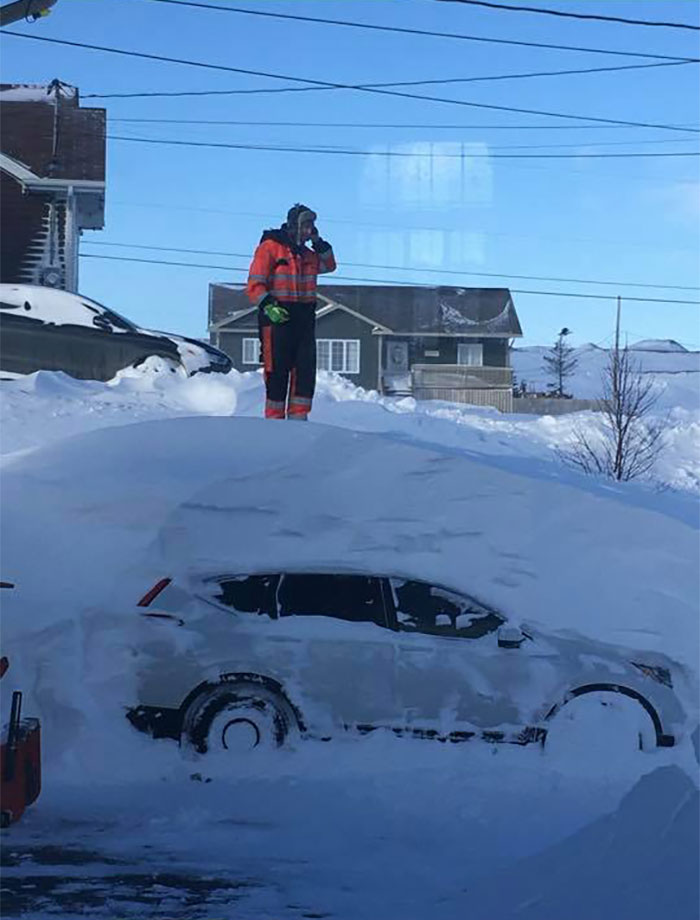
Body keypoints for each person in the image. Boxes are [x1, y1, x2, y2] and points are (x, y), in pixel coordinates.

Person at [247, 204, 336, 420]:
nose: (309, 229)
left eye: (312, 225)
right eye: (306, 225)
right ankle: (275, 423)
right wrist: (269, 305)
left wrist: (317, 241)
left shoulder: (309, 254)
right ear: (294, 225)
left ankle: (299, 421)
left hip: (304, 317)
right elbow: (254, 284)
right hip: (278, 318)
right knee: (277, 372)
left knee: (304, 372)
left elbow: (330, 264)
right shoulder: (270, 248)